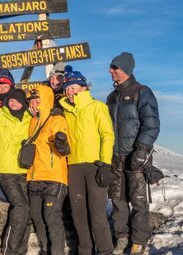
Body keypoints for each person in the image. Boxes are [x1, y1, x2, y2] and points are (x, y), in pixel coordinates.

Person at [106, 52, 160, 255]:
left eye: (114, 68)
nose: (110, 71)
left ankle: (139, 241)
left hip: (136, 156)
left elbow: (152, 125)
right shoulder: (111, 97)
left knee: (138, 201)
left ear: (125, 69)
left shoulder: (142, 92)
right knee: (118, 200)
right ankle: (121, 238)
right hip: (115, 157)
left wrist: (142, 150)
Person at [59, 66, 115, 255]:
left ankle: (105, 251)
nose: (69, 91)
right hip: (73, 167)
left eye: (73, 87)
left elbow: (107, 135)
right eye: (66, 88)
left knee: (97, 214)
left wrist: (105, 164)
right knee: (78, 215)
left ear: (83, 87)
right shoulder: (65, 111)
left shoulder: (97, 107)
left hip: (95, 166)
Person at [26, 85, 70, 255]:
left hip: (54, 177)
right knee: (37, 218)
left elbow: (65, 148)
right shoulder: (32, 121)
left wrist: (62, 143)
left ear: (46, 101)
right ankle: (46, 250)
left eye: (38, 100)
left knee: (51, 218)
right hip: (34, 177)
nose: (34, 104)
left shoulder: (57, 120)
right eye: (32, 101)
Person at [0, 89, 31, 254]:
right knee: (21, 206)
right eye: (11, 100)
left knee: (27, 211)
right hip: (5, 170)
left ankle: (21, 250)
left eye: (17, 101)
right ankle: (9, 250)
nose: (13, 103)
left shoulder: (30, 119)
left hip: (24, 169)